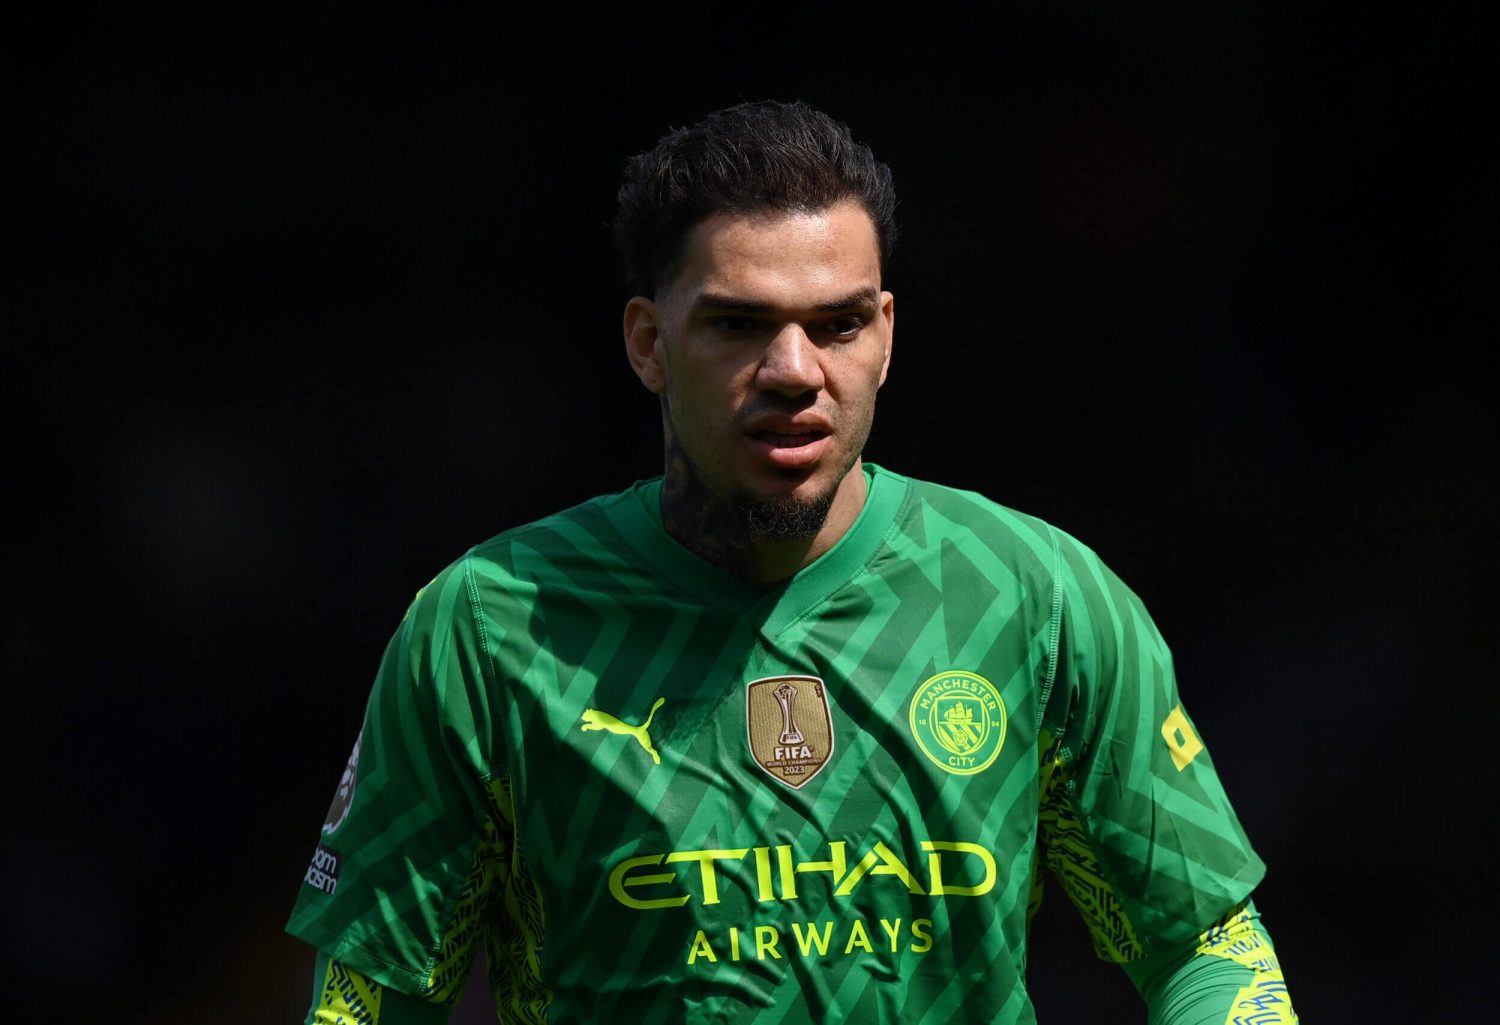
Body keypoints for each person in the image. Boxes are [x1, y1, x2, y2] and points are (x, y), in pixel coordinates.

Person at [288, 100, 1296, 1024]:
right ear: (648, 342)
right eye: (739, 324)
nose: (795, 371)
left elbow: (1208, 948)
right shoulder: (485, 626)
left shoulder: (1038, 597)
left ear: (885, 337)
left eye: (837, 323)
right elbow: (367, 1002)